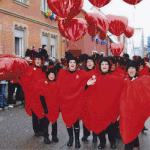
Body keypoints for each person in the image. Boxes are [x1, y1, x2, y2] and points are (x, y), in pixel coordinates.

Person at [82, 57, 124, 149]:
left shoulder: (115, 78)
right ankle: (102, 142)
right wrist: (87, 85)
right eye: (102, 64)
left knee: (111, 126)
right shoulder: (95, 77)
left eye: (106, 64)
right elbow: (87, 91)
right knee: (99, 124)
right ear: (100, 66)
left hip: (110, 107)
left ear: (109, 66)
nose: (104, 66)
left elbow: (120, 89)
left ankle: (112, 141)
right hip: (98, 107)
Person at [57, 56, 88, 148]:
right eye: (70, 62)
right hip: (66, 102)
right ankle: (71, 138)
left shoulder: (81, 74)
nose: (72, 64)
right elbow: (59, 86)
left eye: (74, 62)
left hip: (76, 101)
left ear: (76, 64)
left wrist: (87, 84)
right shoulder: (62, 73)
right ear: (68, 64)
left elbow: (83, 86)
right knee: (67, 121)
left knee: (76, 122)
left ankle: (77, 139)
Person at [19, 53, 51, 144]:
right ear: (34, 60)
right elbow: (24, 81)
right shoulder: (29, 68)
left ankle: (41, 129)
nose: (37, 61)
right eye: (36, 59)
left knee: (42, 112)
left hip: (42, 96)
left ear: (42, 61)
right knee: (35, 114)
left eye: (39, 59)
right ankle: (36, 130)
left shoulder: (43, 70)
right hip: (32, 96)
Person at [119, 61, 150, 150]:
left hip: (136, 112)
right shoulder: (124, 80)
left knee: (131, 130)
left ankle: (133, 146)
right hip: (125, 113)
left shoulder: (142, 80)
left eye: (133, 68)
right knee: (128, 131)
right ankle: (135, 145)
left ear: (136, 70)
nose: (131, 70)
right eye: (129, 68)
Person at [81, 56, 98, 143]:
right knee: (85, 116)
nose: (89, 63)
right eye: (88, 61)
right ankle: (85, 134)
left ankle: (95, 135)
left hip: (94, 98)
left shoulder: (97, 72)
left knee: (94, 116)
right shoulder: (82, 72)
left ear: (94, 63)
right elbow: (80, 86)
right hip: (85, 98)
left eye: (91, 61)